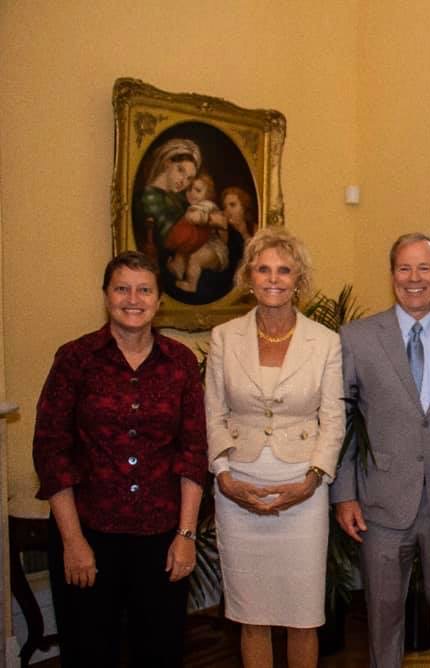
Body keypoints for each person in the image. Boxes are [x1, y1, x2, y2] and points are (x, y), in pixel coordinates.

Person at [33, 251, 207, 667]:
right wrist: (73, 542)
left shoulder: (180, 363)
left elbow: (193, 452)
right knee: (89, 652)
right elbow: (51, 451)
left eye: (144, 289)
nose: (134, 298)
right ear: (106, 296)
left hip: (161, 539)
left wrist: (185, 537)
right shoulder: (75, 359)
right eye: (122, 288)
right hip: (89, 534)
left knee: (160, 653)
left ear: (159, 299)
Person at [330, 233, 430, 667]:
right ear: (392, 274)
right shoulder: (357, 338)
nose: (414, 278)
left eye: (424, 268)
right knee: (382, 617)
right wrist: (344, 494)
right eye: (404, 268)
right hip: (379, 505)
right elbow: (342, 422)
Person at [206, 227, 345, 668]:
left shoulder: (324, 341)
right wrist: (224, 478)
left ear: (298, 278)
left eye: (284, 270)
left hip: (303, 487)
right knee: (253, 615)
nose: (273, 278)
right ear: (249, 276)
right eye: (263, 269)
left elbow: (334, 419)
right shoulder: (224, 337)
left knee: (302, 615)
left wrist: (312, 480)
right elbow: (211, 412)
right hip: (238, 486)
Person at [135, 138, 202, 256]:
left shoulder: (180, 200)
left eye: (189, 178)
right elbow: (175, 239)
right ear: (167, 164)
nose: (183, 181)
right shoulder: (149, 198)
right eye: (181, 170)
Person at [165, 172, 229, 293]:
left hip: (215, 249)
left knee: (195, 257)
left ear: (208, 194)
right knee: (184, 247)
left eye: (198, 190)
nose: (192, 193)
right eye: (189, 189)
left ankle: (191, 284)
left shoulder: (208, 205)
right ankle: (178, 268)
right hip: (199, 243)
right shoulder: (192, 206)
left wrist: (197, 217)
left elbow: (203, 217)